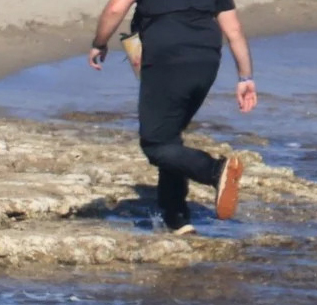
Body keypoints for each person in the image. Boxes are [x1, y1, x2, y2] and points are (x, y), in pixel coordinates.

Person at [88, 0, 256, 234]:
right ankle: (176, 216)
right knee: (168, 137)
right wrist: (245, 78)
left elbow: (116, 8)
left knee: (155, 144)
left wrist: (99, 42)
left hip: (167, 57)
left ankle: (214, 170)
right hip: (206, 60)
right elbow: (234, 29)